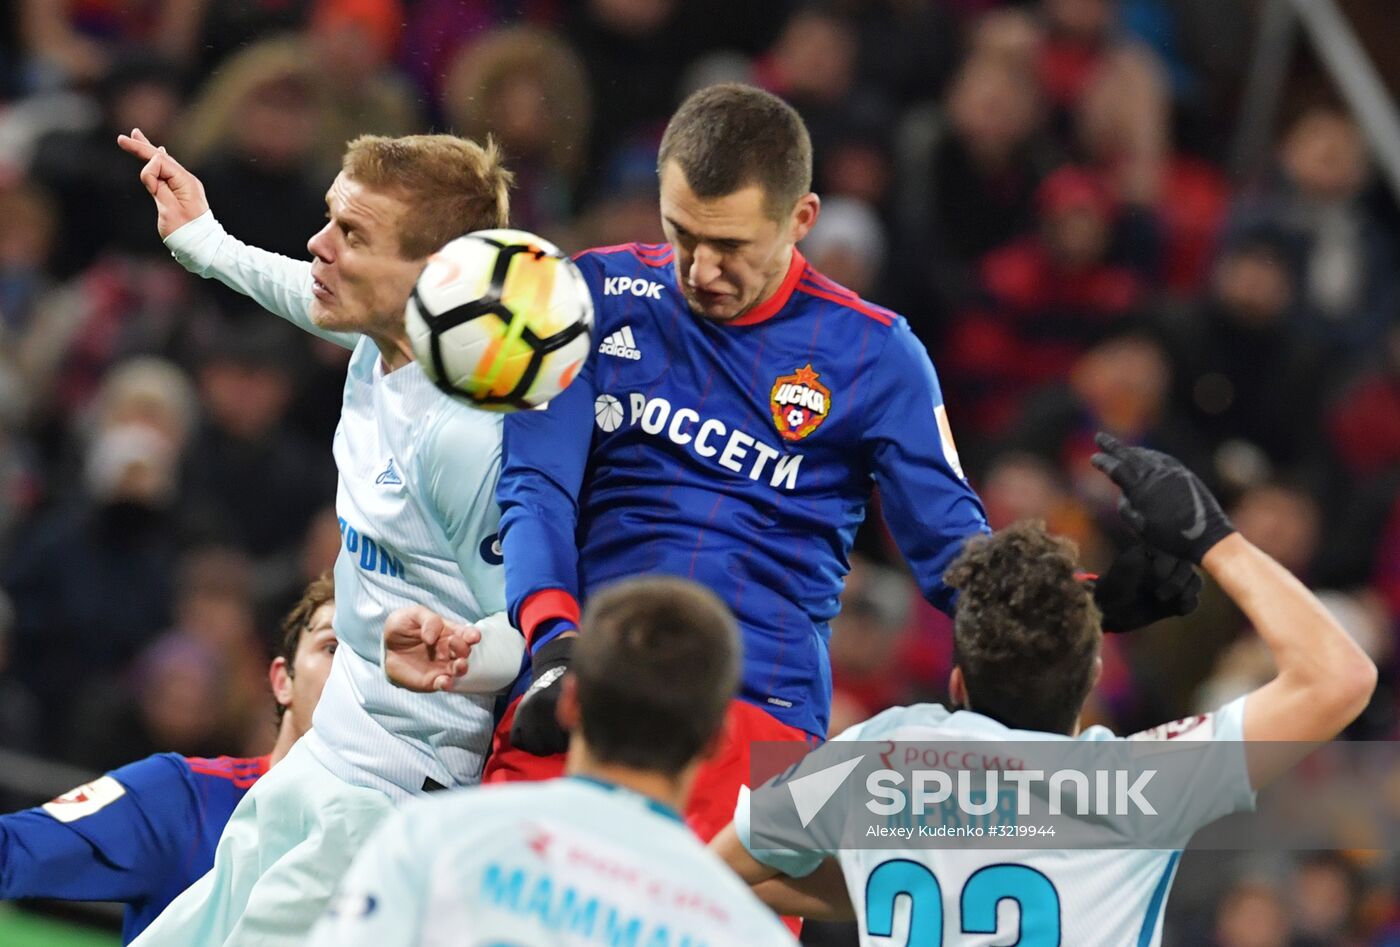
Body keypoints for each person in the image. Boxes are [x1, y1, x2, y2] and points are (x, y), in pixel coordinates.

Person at [474, 83, 1194, 845]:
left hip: (756, 718)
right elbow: (537, 488)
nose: (701, 270)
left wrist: (1091, 601)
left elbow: (957, 555)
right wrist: (553, 646)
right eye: (682, 234)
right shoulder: (594, 294)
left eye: (732, 247)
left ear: (801, 219)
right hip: (586, 681)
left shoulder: (877, 356)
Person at [711, 434, 1378, 945]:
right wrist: (1214, 539)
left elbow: (726, 864)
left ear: (957, 682)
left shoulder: (874, 755)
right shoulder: (1139, 785)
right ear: (1091, 678)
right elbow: (1340, 675)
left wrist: (896, 881)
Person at [115, 128, 527, 945]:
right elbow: (291, 286)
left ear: (430, 278)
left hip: (392, 801)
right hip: (325, 754)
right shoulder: (384, 342)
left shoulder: (466, 433)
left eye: (351, 234)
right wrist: (203, 240)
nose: (318, 245)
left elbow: (539, 634)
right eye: (330, 219)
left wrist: (457, 650)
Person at [306, 577, 798, 947]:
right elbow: (867, 793)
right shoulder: (749, 931)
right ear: (716, 741)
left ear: (569, 703)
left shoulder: (429, 839)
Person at [0, 573, 338, 944]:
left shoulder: (405, 844)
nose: (354, 674)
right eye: (333, 647)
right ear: (281, 679)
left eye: (373, 657)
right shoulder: (184, 796)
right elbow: (11, 849)